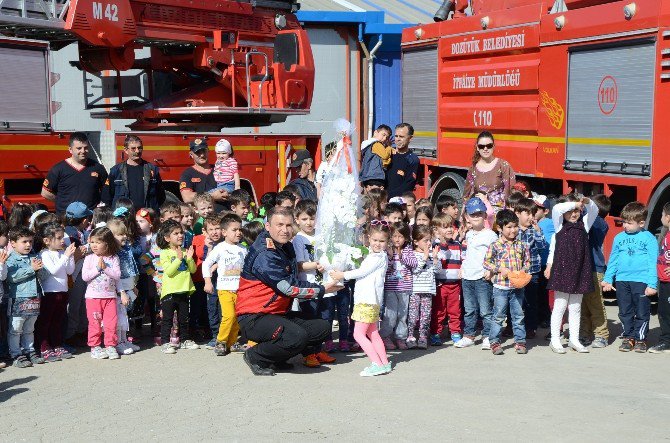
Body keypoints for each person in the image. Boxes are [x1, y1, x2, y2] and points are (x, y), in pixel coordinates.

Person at [235, 207, 338, 376]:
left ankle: (277, 358)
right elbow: (287, 287)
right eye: (279, 225)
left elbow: (294, 278)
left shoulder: (285, 246)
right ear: (267, 226)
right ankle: (255, 356)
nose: (285, 230)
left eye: (289, 225)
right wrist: (322, 289)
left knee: (322, 328)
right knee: (297, 337)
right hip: (254, 317)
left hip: (277, 313)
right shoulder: (265, 253)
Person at [330, 221, 392, 376]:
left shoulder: (376, 257)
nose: (378, 244)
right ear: (368, 238)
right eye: (375, 240)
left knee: (358, 334)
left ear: (387, 242)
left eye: (382, 241)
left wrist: (342, 275)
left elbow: (361, 272)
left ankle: (376, 363)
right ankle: (384, 362)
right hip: (372, 300)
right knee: (372, 333)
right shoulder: (377, 256)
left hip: (366, 301)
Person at [545, 195, 598, 354]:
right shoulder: (559, 225)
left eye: (576, 211)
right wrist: (574, 203)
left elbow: (594, 210)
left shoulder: (585, 225)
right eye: (570, 211)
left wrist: (586, 203)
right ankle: (555, 339)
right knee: (560, 305)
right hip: (562, 271)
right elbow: (556, 208)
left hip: (580, 270)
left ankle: (574, 339)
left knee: (575, 307)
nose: (573, 214)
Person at [602, 202, 658, 353]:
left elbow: (653, 262)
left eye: (629, 223)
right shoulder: (619, 238)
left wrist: (652, 284)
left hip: (641, 280)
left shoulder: (649, 238)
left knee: (641, 311)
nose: (625, 225)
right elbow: (613, 259)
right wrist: (608, 278)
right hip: (622, 280)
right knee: (625, 311)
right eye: (624, 222)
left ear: (641, 223)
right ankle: (629, 337)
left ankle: (641, 339)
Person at [291, 200, 336, 365]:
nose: (309, 222)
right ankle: (308, 353)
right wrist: (316, 265)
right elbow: (299, 265)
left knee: (324, 320)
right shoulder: (298, 240)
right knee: (310, 321)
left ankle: (319, 350)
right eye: (304, 219)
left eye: (312, 218)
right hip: (309, 287)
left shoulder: (322, 235)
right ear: (297, 219)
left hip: (325, 286)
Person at [483, 209, 530, 355]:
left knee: (518, 315)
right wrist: (498, 269)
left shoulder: (521, 245)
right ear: (499, 228)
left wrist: (522, 270)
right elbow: (486, 262)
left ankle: (520, 342)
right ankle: (494, 342)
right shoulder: (495, 245)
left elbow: (527, 262)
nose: (513, 230)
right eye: (509, 227)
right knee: (498, 316)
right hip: (500, 287)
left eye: (515, 226)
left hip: (517, 287)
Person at [455, 197, 497, 349]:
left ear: (485, 216)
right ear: (467, 217)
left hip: (482, 277)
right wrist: (462, 268)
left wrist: (491, 271)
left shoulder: (491, 235)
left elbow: (496, 255)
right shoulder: (468, 234)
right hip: (467, 276)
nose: (476, 217)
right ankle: (469, 336)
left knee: (486, 310)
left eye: (479, 214)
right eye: (473, 215)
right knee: (469, 309)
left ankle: (487, 336)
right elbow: (466, 254)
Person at [202, 214, 247, 356]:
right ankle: (220, 342)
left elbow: (246, 269)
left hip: (239, 289)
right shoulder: (220, 248)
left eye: (240, 229)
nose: (238, 233)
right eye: (234, 230)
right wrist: (208, 281)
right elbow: (206, 264)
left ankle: (232, 343)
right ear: (224, 232)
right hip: (224, 289)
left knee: (236, 318)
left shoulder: (243, 249)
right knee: (228, 316)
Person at [6, 226, 47, 368]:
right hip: (18, 298)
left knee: (30, 328)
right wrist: (31, 269)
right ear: (13, 243)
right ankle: (16, 354)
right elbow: (11, 277)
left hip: (34, 297)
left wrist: (41, 269)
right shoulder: (11, 259)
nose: (28, 245)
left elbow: (44, 276)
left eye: (30, 241)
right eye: (24, 241)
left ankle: (29, 350)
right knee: (16, 328)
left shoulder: (34, 257)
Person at [157, 220, 199, 354]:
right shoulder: (165, 252)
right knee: (167, 319)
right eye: (176, 233)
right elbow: (169, 271)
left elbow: (192, 270)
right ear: (167, 238)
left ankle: (185, 340)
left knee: (184, 318)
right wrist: (179, 259)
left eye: (181, 232)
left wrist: (189, 258)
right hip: (170, 292)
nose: (180, 235)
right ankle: (165, 342)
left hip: (184, 290)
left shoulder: (186, 251)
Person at [41, 132, 108, 214]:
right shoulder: (58, 169)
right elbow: (45, 193)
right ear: (70, 149)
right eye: (79, 148)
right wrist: (62, 201)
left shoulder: (98, 168)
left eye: (86, 148)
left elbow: (107, 191)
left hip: (90, 218)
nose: (83, 151)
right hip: (66, 219)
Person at [82, 226, 122, 360]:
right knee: (95, 323)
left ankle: (110, 345)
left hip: (110, 296)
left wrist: (106, 269)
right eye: (92, 242)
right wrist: (97, 269)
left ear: (107, 243)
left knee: (111, 323)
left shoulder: (113, 258)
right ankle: (95, 347)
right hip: (93, 297)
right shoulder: (89, 258)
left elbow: (117, 275)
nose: (94, 245)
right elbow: (85, 277)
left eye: (98, 242)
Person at [37, 223, 76, 362]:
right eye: (59, 238)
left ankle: (57, 344)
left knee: (58, 321)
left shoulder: (61, 253)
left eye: (63, 238)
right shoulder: (45, 254)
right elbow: (52, 270)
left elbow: (70, 271)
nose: (62, 241)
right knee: (46, 321)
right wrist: (65, 256)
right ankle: (44, 346)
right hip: (50, 293)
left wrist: (70, 256)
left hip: (63, 291)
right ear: (47, 240)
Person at [101, 134, 166, 212]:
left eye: (139, 148)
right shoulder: (116, 171)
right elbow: (106, 197)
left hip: (147, 217)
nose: (137, 151)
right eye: (133, 148)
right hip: (124, 217)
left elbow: (161, 196)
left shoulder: (152, 169)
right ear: (125, 150)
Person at [579, 194, 610, 348]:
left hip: (594, 268)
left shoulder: (599, 223)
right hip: (583, 267)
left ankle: (601, 334)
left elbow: (590, 216)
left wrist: (586, 206)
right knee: (583, 303)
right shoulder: (591, 219)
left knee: (595, 303)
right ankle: (584, 333)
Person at [514, 198, 547, 339]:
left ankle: (530, 327)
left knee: (531, 301)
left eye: (533, 214)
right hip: (516, 271)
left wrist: (538, 232)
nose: (530, 217)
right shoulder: (512, 229)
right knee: (515, 300)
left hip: (532, 271)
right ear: (517, 213)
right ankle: (512, 325)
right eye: (527, 213)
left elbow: (542, 247)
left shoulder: (534, 231)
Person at [107, 218, 140, 356]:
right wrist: (123, 292)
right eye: (120, 234)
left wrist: (134, 285)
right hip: (120, 288)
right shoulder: (113, 254)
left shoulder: (126, 249)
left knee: (124, 314)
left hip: (129, 285)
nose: (124, 236)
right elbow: (116, 275)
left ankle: (124, 339)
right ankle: (117, 342)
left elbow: (132, 267)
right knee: (119, 316)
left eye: (124, 233)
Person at [462, 131, 515, 211]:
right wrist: (463, 217)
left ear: (493, 146)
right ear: (477, 147)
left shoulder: (503, 165)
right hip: (479, 213)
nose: (485, 149)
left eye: (489, 146)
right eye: (481, 146)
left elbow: (511, 192)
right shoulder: (473, 168)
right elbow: (467, 195)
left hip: (499, 214)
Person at [404, 225, 438, 350]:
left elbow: (437, 271)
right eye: (425, 240)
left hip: (428, 290)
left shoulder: (430, 255)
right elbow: (415, 271)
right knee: (413, 315)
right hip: (415, 290)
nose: (429, 243)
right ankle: (410, 336)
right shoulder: (412, 254)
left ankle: (423, 337)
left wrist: (434, 259)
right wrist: (424, 257)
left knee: (425, 315)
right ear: (416, 242)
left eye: (430, 240)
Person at [431, 213, 463, 345]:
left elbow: (462, 259)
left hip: (455, 284)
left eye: (450, 226)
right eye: (445, 227)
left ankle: (455, 331)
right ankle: (436, 333)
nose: (449, 229)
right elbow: (438, 262)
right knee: (439, 310)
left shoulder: (457, 244)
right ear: (436, 230)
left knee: (455, 310)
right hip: (441, 284)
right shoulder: (436, 245)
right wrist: (441, 243)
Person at [381, 222, 413, 350]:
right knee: (390, 314)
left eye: (400, 236)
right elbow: (385, 269)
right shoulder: (388, 251)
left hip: (404, 288)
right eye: (394, 236)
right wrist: (389, 257)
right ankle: (385, 336)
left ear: (405, 238)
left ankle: (401, 337)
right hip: (391, 288)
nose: (397, 239)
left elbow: (413, 264)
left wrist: (403, 256)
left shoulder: (408, 250)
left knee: (402, 315)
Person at [179, 138, 229, 212]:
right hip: (202, 218)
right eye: (198, 152)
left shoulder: (220, 169)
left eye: (204, 151)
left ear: (208, 151)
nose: (202, 155)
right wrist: (212, 196)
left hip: (224, 215)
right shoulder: (187, 174)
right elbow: (187, 197)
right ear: (191, 154)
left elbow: (232, 188)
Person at [652, 202, 670, 354]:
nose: (661, 217)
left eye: (662, 214)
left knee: (665, 313)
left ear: (668, 217)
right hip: (664, 280)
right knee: (663, 311)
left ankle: (666, 342)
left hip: (668, 282)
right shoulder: (667, 233)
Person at [386, 123, 419, 199]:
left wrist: (390, 197)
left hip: (398, 201)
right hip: (382, 200)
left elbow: (409, 185)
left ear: (410, 138)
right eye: (396, 136)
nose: (398, 139)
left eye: (401, 137)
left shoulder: (413, 160)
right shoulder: (387, 154)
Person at [359, 124, 392, 190]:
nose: (385, 138)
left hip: (368, 176)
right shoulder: (376, 144)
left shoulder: (368, 145)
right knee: (376, 197)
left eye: (387, 137)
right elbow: (385, 155)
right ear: (375, 132)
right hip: (375, 176)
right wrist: (389, 148)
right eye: (383, 135)